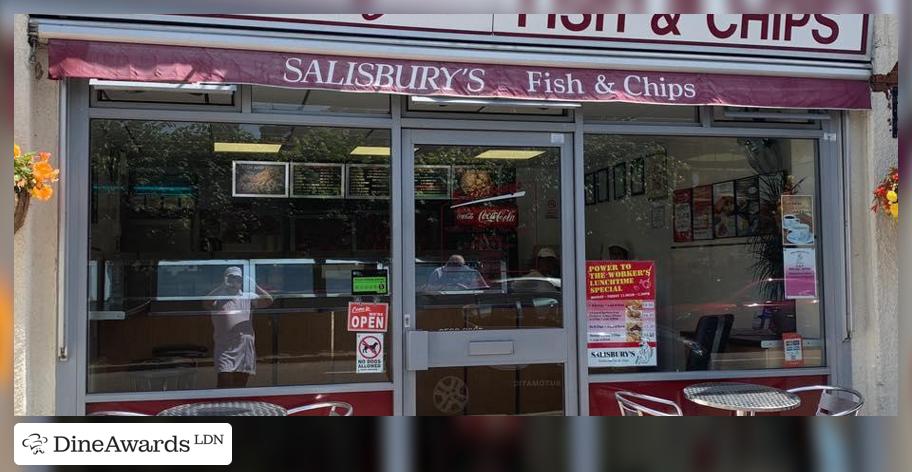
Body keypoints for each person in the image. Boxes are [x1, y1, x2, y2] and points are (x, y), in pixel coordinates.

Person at [204, 266, 273, 388]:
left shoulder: (248, 296)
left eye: (238, 279)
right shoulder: (219, 298)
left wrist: (254, 284)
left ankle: (237, 406)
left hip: (244, 346)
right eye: (231, 278)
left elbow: (268, 301)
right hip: (224, 347)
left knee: (240, 385)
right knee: (224, 382)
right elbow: (206, 303)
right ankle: (222, 406)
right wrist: (222, 286)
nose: (234, 281)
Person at [424, 254, 489, 292]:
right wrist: (446, 287)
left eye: (459, 265)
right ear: (448, 263)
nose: (455, 267)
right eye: (452, 264)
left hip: (467, 299)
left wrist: (466, 287)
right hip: (443, 301)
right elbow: (429, 288)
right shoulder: (438, 272)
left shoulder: (471, 272)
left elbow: (482, 288)